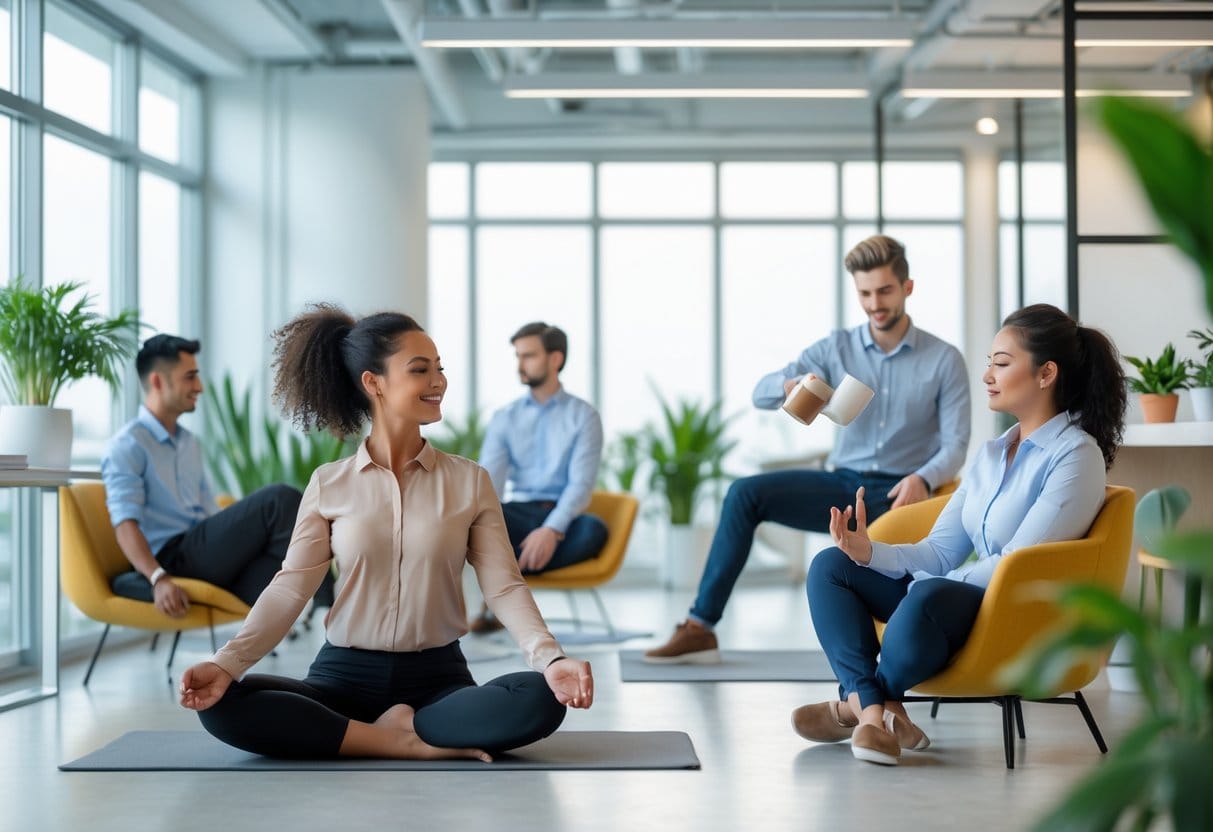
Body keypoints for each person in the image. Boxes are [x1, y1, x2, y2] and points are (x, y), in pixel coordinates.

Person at [179, 306, 593, 761]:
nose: (438, 382)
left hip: (438, 681)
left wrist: (551, 659)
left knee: (539, 697)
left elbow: (504, 585)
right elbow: (291, 587)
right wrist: (226, 662)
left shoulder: (470, 481)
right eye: (420, 370)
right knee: (221, 704)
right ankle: (404, 740)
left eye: (439, 369)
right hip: (342, 678)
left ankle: (375, 735)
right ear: (373, 383)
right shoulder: (329, 483)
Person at [794, 303, 1126, 766]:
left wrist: (925, 586)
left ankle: (854, 705)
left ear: (1046, 373)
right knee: (831, 567)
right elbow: (941, 549)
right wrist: (869, 552)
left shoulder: (1075, 455)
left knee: (923, 602)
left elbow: (1017, 561)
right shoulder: (991, 454)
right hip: (963, 598)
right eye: (990, 361)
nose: (988, 374)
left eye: (1002, 363)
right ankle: (876, 714)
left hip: (1012, 610)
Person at [645, 235, 971, 663]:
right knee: (745, 493)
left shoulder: (944, 360)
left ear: (907, 287)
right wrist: (788, 386)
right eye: (865, 293)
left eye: (885, 291)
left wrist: (923, 478)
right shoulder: (835, 348)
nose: (875, 303)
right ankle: (700, 626)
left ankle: (894, 648)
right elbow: (760, 393)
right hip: (844, 484)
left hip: (901, 492)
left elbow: (956, 444)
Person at [102, 334, 326, 616]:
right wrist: (158, 579)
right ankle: (328, 607)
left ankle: (325, 613)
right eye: (190, 377)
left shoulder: (189, 442)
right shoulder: (129, 444)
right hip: (173, 558)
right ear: (158, 381)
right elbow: (125, 526)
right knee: (280, 499)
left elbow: (208, 508)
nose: (199, 386)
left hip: (206, 555)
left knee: (286, 557)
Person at [469, 322, 608, 634]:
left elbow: (581, 485)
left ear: (555, 359)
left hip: (563, 518)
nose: (520, 365)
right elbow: (488, 483)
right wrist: (485, 520)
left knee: (594, 531)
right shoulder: (505, 418)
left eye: (529, 356)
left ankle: (501, 591)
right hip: (518, 513)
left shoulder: (584, 416)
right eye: (518, 356)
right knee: (475, 520)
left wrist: (552, 530)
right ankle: (507, 586)